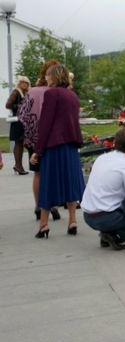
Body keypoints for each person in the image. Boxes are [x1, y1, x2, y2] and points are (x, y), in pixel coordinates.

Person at [32, 64, 85, 239]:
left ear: (54, 76)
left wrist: (37, 150)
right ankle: (72, 221)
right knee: (70, 182)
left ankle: (44, 225)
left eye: (48, 75)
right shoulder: (72, 95)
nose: (46, 78)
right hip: (70, 145)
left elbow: (45, 124)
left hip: (54, 145)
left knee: (48, 183)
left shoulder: (51, 94)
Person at [18, 59, 62, 222]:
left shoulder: (32, 92)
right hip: (54, 138)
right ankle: (53, 206)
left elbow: (22, 114)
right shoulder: (59, 92)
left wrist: (31, 131)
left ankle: (38, 206)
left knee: (38, 173)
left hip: (34, 139)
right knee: (54, 173)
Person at [5, 75, 31, 175]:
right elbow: (8, 105)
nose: (24, 84)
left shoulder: (27, 92)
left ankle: (18, 166)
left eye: (26, 83)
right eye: (22, 82)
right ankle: (18, 166)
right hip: (18, 122)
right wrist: (20, 106)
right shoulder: (16, 92)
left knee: (21, 143)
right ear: (19, 84)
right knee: (19, 143)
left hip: (24, 121)